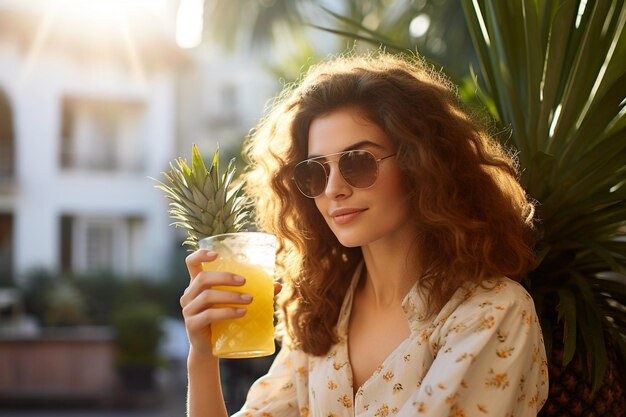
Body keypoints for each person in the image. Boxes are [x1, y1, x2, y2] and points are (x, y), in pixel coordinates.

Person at [180, 51, 549, 417]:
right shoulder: (323, 318)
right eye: (315, 172)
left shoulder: (492, 312)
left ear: (420, 163)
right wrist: (201, 356)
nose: (333, 189)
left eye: (358, 162)